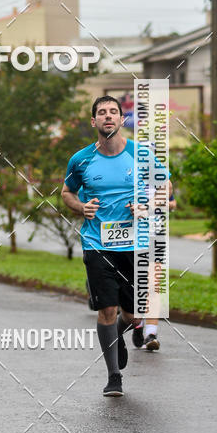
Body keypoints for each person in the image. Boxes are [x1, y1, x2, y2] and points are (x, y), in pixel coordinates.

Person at [61, 96, 172, 398]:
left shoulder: (141, 154)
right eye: (101, 113)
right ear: (93, 122)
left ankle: (120, 335)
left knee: (134, 313)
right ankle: (114, 376)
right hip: (98, 244)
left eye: (113, 112)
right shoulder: (81, 159)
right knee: (106, 309)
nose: (107, 117)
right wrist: (80, 206)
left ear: (122, 120)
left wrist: (148, 205)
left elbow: (166, 187)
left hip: (134, 245)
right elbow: (67, 193)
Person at [131, 189, 177, 351]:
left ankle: (151, 334)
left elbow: (172, 203)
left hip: (155, 235)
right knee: (136, 286)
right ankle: (138, 324)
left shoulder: (158, 178)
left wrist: (161, 204)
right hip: (131, 237)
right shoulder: (126, 173)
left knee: (153, 285)